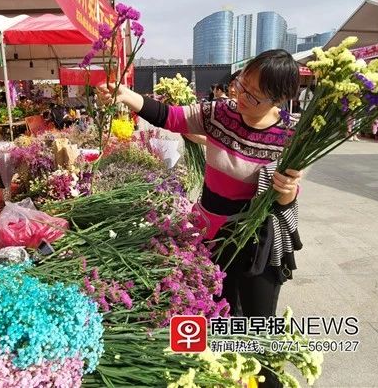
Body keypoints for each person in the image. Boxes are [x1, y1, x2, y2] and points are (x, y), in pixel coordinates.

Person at [98, 49, 302, 316]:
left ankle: (260, 355)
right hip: (212, 231)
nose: (241, 96)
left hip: (256, 239)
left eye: (253, 95)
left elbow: (287, 199)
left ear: (279, 99)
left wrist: (288, 192)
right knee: (220, 310)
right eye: (242, 84)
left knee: (258, 318)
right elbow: (170, 117)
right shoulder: (220, 112)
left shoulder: (289, 136)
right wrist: (127, 96)